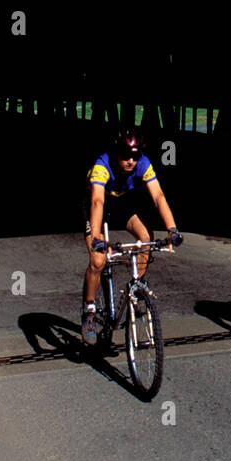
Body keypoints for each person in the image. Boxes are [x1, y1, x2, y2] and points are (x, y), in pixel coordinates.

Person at [81, 127, 181, 346]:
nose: (130, 161)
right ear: (116, 152)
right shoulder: (102, 165)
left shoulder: (144, 163)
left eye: (135, 156)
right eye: (125, 156)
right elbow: (97, 202)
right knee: (98, 259)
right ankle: (89, 311)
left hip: (121, 203)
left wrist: (172, 230)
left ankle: (137, 288)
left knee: (146, 237)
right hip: (96, 205)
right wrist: (97, 237)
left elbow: (158, 196)